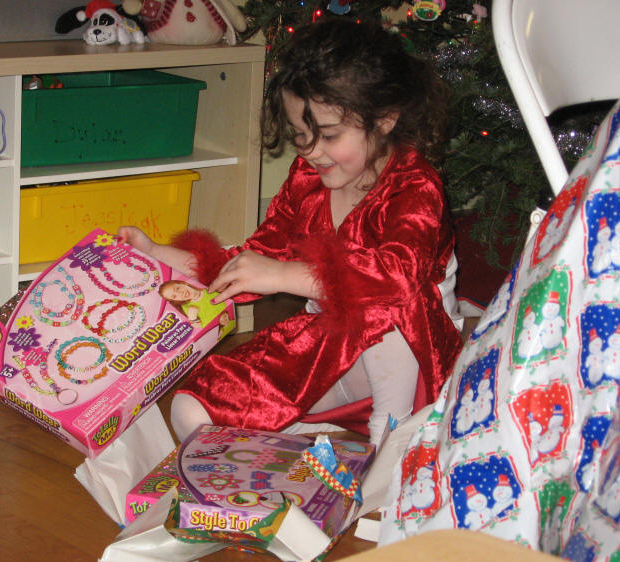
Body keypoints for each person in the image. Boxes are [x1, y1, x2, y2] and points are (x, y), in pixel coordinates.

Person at [118, 20, 463, 446]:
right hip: (332, 355)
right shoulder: (307, 179)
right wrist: (156, 252)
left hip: (412, 367)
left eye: (329, 135)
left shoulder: (414, 185)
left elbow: (397, 278)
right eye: (300, 135)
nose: (312, 151)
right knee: (192, 409)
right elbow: (255, 258)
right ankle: (300, 439)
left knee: (382, 303)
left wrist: (282, 275)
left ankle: (390, 445)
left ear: (385, 120)